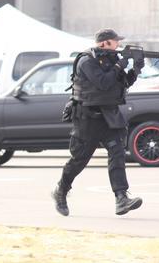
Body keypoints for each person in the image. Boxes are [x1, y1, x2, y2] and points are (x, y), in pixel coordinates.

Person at [53, 28, 144, 216]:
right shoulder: (87, 61)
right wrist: (119, 65)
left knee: (117, 153)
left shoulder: (110, 60)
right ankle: (61, 190)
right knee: (80, 159)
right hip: (88, 118)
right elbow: (103, 83)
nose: (118, 45)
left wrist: (135, 69)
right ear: (104, 43)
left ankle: (121, 198)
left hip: (109, 116)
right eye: (115, 41)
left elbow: (122, 83)